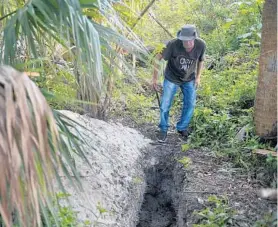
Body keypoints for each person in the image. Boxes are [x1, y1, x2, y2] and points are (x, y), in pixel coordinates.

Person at [152, 24, 206, 142]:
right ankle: (163, 129)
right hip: (172, 77)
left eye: (189, 41)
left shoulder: (201, 45)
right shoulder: (172, 44)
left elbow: (201, 61)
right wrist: (155, 79)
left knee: (190, 103)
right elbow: (157, 58)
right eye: (184, 41)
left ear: (194, 38)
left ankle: (182, 128)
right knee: (165, 104)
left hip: (189, 78)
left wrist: (198, 77)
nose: (187, 44)